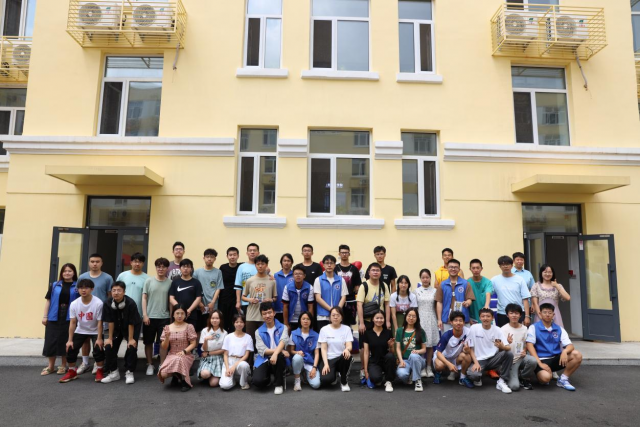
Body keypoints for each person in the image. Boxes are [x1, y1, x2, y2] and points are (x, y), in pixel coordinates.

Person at [527, 303, 583, 391]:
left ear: (553, 315)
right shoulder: (533, 327)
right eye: (545, 312)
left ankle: (563, 379)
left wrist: (564, 351)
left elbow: (570, 345)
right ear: (540, 314)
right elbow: (529, 345)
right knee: (545, 378)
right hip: (541, 359)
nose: (547, 314)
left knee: (577, 355)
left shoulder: (559, 329)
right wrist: (540, 363)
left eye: (550, 312)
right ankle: (545, 375)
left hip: (556, 359)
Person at [59, 279, 105, 383]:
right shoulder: (74, 303)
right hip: (81, 329)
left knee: (98, 349)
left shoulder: (98, 303)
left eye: (86, 288)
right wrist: (70, 340)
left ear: (92, 289)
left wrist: (99, 338)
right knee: (70, 348)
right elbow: (73, 322)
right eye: (81, 288)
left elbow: (100, 322)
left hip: (95, 330)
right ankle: (72, 372)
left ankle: (100, 370)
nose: (83, 290)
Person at [76, 253, 114, 374]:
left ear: (101, 263)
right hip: (85, 313)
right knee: (85, 339)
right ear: (89, 263)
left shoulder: (107, 278)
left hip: (100, 314)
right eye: (92, 261)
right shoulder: (82, 277)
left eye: (97, 261)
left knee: (98, 338)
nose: (95, 264)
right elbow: (79, 294)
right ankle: (85, 363)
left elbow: (110, 296)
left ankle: (98, 364)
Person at [100, 281, 142, 385]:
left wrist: (131, 339)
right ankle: (114, 372)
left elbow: (131, 323)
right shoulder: (107, 303)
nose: (116, 293)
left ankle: (129, 371)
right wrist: (109, 338)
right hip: (115, 327)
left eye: (119, 290)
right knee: (109, 346)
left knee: (132, 347)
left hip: (131, 326)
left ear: (124, 292)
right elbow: (110, 321)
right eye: (114, 290)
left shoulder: (131, 303)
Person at [42, 263, 79, 376]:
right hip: (54, 315)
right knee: (51, 340)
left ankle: (63, 365)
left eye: (70, 271)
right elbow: (48, 301)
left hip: (69, 316)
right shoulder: (54, 285)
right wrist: (45, 316)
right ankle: (51, 366)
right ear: (61, 273)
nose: (67, 273)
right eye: (65, 271)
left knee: (65, 340)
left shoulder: (77, 286)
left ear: (74, 273)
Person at [466, 308, 514, 393]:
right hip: (479, 360)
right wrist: (476, 362)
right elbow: (470, 348)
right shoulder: (474, 328)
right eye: (483, 316)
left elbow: (508, 347)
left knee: (509, 354)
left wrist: (502, 346)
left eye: (488, 316)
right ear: (479, 318)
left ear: (492, 318)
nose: (485, 318)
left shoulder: (497, 329)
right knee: (473, 375)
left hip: (493, 359)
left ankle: (502, 381)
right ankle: (478, 377)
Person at [157, 304, 197, 392]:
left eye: (182, 313)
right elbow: (164, 347)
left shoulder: (189, 326)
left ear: (185, 315)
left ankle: (185, 382)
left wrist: (184, 351)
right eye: (177, 313)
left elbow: (193, 343)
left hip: (185, 354)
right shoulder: (167, 327)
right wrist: (167, 337)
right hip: (172, 354)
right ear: (173, 315)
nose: (179, 316)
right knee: (163, 374)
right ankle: (177, 374)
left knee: (179, 359)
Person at [142, 257, 172, 376]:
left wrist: (171, 317)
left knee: (163, 342)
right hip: (150, 317)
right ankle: (149, 364)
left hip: (164, 317)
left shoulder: (170, 283)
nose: (161, 269)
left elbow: (170, 301)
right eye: (159, 266)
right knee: (148, 342)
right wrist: (145, 314)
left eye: (163, 267)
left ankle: (162, 364)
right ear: (156, 268)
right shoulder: (148, 281)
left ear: (167, 268)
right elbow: (144, 298)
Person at [252, 302, 290, 395]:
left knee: (280, 356)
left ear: (274, 313)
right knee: (257, 381)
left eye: (269, 312)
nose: (267, 316)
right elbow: (262, 350)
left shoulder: (283, 327)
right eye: (264, 314)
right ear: (261, 315)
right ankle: (267, 378)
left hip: (279, 358)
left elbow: (283, 341)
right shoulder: (258, 331)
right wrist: (280, 351)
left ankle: (278, 384)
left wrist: (276, 353)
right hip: (264, 359)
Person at [501, 303, 536, 391]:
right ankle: (513, 375)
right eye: (511, 313)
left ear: (520, 315)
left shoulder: (524, 328)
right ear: (507, 315)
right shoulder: (503, 329)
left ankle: (523, 377)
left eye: (516, 313)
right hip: (510, 361)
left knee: (533, 360)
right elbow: (499, 349)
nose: (514, 315)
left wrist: (524, 350)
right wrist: (507, 342)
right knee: (514, 387)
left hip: (521, 358)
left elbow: (526, 344)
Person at [318, 307, 353, 391]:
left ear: (342, 317)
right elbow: (323, 349)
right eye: (333, 315)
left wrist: (347, 349)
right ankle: (333, 377)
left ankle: (344, 382)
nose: (335, 317)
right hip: (329, 359)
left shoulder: (346, 329)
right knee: (326, 380)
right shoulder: (324, 329)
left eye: (338, 315)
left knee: (346, 356)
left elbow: (349, 345)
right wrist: (326, 364)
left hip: (341, 358)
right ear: (330, 317)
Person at [242, 254, 277, 341]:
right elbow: (243, 297)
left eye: (262, 264)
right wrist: (250, 299)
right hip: (251, 316)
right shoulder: (250, 280)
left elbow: (275, 298)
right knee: (250, 341)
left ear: (266, 265)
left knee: (265, 341)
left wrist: (271, 300)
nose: (260, 266)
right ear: (255, 265)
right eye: (258, 264)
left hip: (266, 316)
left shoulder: (272, 281)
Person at [432, 311, 472, 385]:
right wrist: (449, 364)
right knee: (440, 365)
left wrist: (467, 350)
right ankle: (438, 372)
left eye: (460, 320)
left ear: (464, 322)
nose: (458, 323)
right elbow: (438, 353)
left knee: (467, 356)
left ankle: (462, 377)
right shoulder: (446, 335)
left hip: (455, 358)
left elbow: (469, 350)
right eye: (455, 320)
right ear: (451, 322)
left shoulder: (468, 332)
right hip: (443, 357)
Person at [492, 256, 531, 327]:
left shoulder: (520, 279)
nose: (505, 266)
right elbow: (488, 293)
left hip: (518, 313)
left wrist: (527, 316)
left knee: (520, 333)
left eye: (507, 264)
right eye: (503, 264)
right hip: (502, 313)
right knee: (503, 333)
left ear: (512, 265)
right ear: (500, 266)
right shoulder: (494, 280)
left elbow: (525, 298)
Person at [362, 310, 396, 392]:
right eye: (377, 318)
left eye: (381, 318)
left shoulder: (388, 332)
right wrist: (365, 370)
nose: (379, 320)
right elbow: (366, 352)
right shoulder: (367, 333)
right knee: (376, 379)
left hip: (386, 360)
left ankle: (388, 381)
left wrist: (391, 346)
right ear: (373, 319)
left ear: (384, 319)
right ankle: (379, 376)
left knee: (390, 356)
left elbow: (392, 352)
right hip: (374, 361)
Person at [435, 259, 474, 331]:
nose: (453, 269)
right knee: (447, 338)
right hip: (447, 320)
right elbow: (439, 302)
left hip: (463, 320)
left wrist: (467, 303)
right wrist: (439, 319)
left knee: (465, 338)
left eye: (456, 267)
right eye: (451, 267)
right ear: (447, 268)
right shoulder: (442, 284)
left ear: (459, 269)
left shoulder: (465, 283)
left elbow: (470, 299)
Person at [395, 308, 427, 392]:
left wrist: (417, 351)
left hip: (418, 360)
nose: (411, 318)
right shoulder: (399, 331)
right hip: (405, 360)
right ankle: (411, 374)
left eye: (414, 316)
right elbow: (398, 348)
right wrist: (401, 360)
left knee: (413, 356)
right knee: (402, 375)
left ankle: (418, 380)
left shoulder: (421, 331)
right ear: (406, 316)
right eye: (409, 316)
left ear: (417, 318)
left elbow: (424, 349)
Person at [193, 248, 224, 336]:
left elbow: (218, 288)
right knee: (199, 329)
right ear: (204, 258)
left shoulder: (218, 272)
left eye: (212, 257)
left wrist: (213, 302)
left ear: (215, 259)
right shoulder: (197, 272)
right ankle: (199, 345)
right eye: (207, 257)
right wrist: (199, 303)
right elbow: (194, 288)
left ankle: (211, 344)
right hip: (200, 306)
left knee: (212, 327)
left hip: (213, 306)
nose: (209, 259)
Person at [288, 311, 321, 391]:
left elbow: (317, 353)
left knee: (316, 384)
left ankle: (305, 374)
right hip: (298, 361)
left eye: (308, 319)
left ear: (311, 321)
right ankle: (297, 380)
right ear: (300, 321)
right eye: (303, 319)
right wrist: (297, 352)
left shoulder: (316, 335)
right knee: (297, 357)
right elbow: (291, 350)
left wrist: (314, 368)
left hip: (310, 362)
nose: (305, 321)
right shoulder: (294, 333)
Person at [415, 268, 439, 378]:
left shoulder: (435, 291)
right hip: (419, 319)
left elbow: (437, 306)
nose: (425, 279)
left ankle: (429, 367)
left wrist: (439, 319)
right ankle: (422, 367)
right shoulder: (416, 291)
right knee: (421, 343)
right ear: (420, 278)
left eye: (427, 277)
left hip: (431, 318)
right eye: (423, 277)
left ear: (430, 278)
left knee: (429, 345)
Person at [314, 255, 348, 331]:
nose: (329, 265)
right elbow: (318, 298)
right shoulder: (318, 280)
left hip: (337, 316)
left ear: (335, 265)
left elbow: (343, 297)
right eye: (327, 263)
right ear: (323, 265)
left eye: (331, 263)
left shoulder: (341, 280)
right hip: (322, 316)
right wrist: (331, 310)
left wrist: (337, 311)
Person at [220, 314, 254, 390]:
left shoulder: (248, 337)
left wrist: (234, 366)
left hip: (240, 361)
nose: (239, 324)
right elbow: (225, 354)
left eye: (241, 322)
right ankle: (232, 381)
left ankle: (244, 382)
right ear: (233, 323)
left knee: (244, 365)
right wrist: (228, 368)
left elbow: (246, 355)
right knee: (225, 386)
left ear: (244, 323)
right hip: (229, 360)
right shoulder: (228, 337)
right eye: (237, 322)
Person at [169, 259, 203, 331]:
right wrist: (180, 309)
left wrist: (189, 310)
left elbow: (198, 298)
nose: (185, 269)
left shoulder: (196, 282)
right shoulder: (175, 282)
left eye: (188, 267)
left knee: (191, 335)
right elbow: (171, 298)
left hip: (191, 314)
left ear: (191, 269)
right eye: (183, 267)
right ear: (180, 268)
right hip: (178, 314)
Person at [357, 262, 391, 334]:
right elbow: (359, 305)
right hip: (367, 320)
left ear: (380, 272)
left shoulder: (384, 285)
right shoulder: (364, 286)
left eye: (377, 270)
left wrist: (387, 321)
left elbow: (387, 304)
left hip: (380, 320)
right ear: (369, 272)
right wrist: (361, 323)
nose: (375, 272)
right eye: (373, 270)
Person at [197, 309, 228, 388]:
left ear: (220, 320)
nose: (215, 320)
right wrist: (206, 340)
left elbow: (223, 350)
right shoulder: (205, 331)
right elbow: (204, 349)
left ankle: (212, 376)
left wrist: (209, 353)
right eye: (213, 318)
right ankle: (208, 375)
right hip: (207, 358)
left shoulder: (224, 333)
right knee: (205, 374)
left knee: (213, 384)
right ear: (210, 319)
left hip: (218, 358)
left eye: (217, 318)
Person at [334, 244, 362, 327]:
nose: (344, 254)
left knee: (348, 325)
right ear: (339, 254)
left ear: (349, 254)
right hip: (337, 300)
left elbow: (357, 285)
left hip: (350, 300)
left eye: (346, 252)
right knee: (336, 322)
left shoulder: (354, 269)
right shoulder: (335, 268)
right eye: (342, 252)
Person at [116, 252, 149, 319]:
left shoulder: (147, 278)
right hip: (122, 310)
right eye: (135, 261)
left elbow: (147, 297)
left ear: (143, 264)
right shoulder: (122, 275)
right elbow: (116, 291)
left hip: (138, 312)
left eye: (140, 262)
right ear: (131, 262)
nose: (137, 264)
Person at [282, 265, 314, 332]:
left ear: (304, 276)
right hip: (291, 319)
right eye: (296, 274)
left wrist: (310, 323)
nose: (298, 276)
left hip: (304, 320)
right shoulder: (287, 287)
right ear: (293, 275)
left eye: (300, 274)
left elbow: (310, 306)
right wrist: (286, 324)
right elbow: (285, 306)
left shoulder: (309, 287)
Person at [219, 247, 243, 333]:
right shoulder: (223, 267)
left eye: (234, 255)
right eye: (230, 255)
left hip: (236, 300)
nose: (232, 257)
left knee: (235, 322)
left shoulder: (241, 266)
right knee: (223, 322)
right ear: (227, 256)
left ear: (238, 256)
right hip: (224, 299)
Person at [235, 243, 260, 314]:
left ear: (258, 253)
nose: (252, 252)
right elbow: (238, 286)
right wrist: (238, 302)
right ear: (247, 253)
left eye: (254, 250)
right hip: (245, 302)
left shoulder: (262, 266)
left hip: (259, 302)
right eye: (250, 250)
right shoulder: (242, 267)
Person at [467, 259, 493, 325]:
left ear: (481, 268)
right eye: (473, 268)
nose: (476, 270)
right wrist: (468, 318)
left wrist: (486, 307)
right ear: (470, 269)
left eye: (478, 268)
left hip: (485, 314)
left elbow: (488, 293)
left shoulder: (487, 282)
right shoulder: (467, 282)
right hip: (472, 316)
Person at [274, 253, 294, 323]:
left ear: (291, 263)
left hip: (291, 309)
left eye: (288, 261)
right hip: (278, 308)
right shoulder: (275, 275)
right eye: (284, 261)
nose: (286, 263)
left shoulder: (295, 275)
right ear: (281, 262)